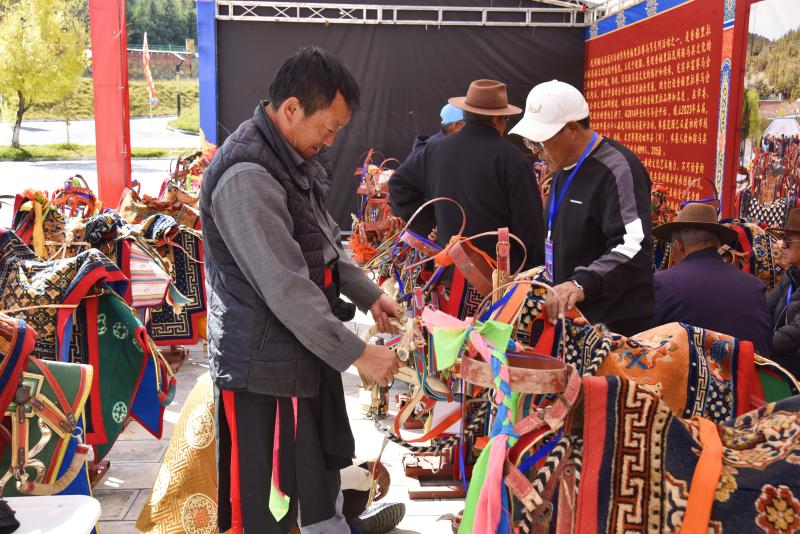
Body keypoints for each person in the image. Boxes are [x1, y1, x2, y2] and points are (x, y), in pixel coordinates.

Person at [199, 46, 404, 533]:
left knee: (314, 482)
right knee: (271, 501)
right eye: (328, 128)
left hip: (296, 354)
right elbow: (287, 288)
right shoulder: (248, 175)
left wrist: (369, 293)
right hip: (263, 368)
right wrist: (359, 354)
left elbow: (323, 241)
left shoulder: (288, 158)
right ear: (291, 108)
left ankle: (334, 523)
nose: (331, 140)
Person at [509, 79, 654, 335]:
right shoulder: (564, 166)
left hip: (611, 324)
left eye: (540, 142)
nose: (536, 152)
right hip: (572, 318)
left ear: (572, 130)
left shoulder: (618, 168)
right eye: (530, 143)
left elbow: (633, 245)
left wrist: (580, 283)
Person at [390, 79, 545, 271]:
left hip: (448, 267)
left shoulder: (435, 149)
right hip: (497, 276)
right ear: (497, 119)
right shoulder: (513, 159)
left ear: (467, 114)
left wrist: (430, 225)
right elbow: (530, 226)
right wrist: (533, 269)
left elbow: (398, 184)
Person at [652, 203, 772, 355]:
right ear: (717, 244)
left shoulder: (662, 283)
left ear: (679, 246)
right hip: (747, 368)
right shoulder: (753, 286)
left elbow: (645, 344)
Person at [766, 208, 800, 377]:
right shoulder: (791, 274)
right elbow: (764, 307)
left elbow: (795, 333)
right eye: (782, 239)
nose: (783, 245)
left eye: (788, 240)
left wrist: (759, 343)